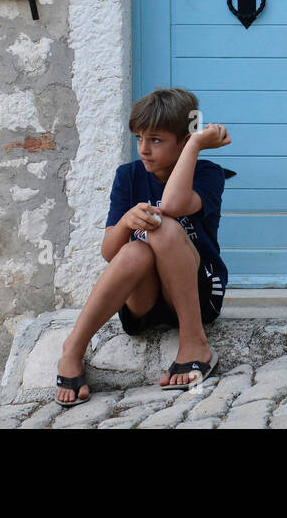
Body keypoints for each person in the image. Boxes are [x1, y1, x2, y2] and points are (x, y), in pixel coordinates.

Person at [55, 87, 234, 405]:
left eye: (156, 140)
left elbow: (174, 204)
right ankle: (73, 347)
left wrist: (194, 147)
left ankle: (194, 343)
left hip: (198, 294)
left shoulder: (208, 174)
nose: (144, 149)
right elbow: (109, 253)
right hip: (144, 301)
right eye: (139, 138)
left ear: (183, 140)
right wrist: (126, 222)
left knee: (163, 228)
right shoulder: (128, 176)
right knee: (134, 249)